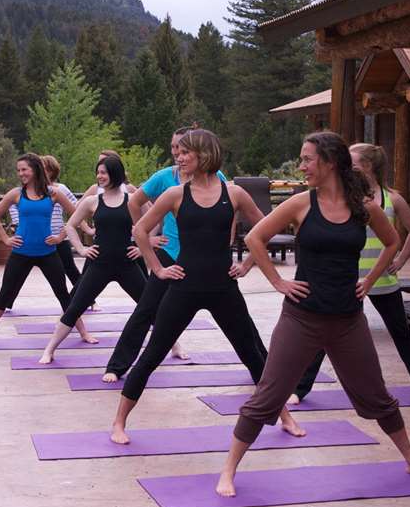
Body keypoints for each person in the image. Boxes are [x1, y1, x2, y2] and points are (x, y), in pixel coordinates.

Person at [216, 131, 410, 497]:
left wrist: (371, 279)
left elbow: (393, 241)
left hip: (348, 320)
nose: (302, 166)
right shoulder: (301, 204)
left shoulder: (363, 206)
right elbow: (255, 237)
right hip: (301, 318)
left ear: (330, 162)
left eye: (307, 159)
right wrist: (278, 281)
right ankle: (228, 470)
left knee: (376, 396)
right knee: (268, 397)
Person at [107, 129, 304, 445]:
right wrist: (157, 269)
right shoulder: (175, 194)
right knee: (153, 353)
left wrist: (248, 263)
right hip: (184, 286)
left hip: (223, 287)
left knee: (253, 355)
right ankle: (119, 422)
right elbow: (141, 230)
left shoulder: (234, 193)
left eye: (186, 152)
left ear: (204, 154)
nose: (179, 157)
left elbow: (263, 229)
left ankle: (285, 416)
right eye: (179, 152)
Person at [289, 143, 410, 403]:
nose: (346, 167)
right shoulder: (346, 198)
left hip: (382, 280)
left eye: (352, 163)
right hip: (350, 282)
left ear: (368, 167)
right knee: (325, 335)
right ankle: (299, 390)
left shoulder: (391, 198)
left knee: (402, 334)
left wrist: (399, 260)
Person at [100, 127, 226, 381]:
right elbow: (134, 202)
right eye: (174, 148)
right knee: (146, 309)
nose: (177, 153)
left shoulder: (217, 176)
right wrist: (147, 235)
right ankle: (117, 366)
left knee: (233, 316)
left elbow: (229, 210)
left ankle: (265, 372)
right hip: (170, 253)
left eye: (182, 148)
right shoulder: (164, 178)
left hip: (204, 258)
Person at [0, 153, 95, 346]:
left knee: (63, 293)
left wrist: (60, 236)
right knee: (5, 293)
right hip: (22, 253)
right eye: (18, 170)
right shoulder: (16, 194)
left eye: (24, 169)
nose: (20, 173)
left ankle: (84, 333)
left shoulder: (54, 193)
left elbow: (76, 216)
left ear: (35, 169)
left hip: (48, 253)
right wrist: (6, 239)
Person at [38, 156, 147, 363]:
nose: (99, 176)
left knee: (149, 306)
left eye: (104, 172)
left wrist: (142, 249)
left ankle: (175, 346)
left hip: (127, 264)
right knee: (75, 307)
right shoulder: (92, 201)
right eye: (98, 172)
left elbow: (152, 222)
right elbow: (70, 225)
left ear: (115, 173)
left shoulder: (132, 199)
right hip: (99, 265)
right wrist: (81, 249)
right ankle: (50, 349)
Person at [9, 155, 82, 291]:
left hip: (57, 238)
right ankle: (7, 302)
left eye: (47, 170)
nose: (44, 172)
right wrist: (19, 223)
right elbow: (12, 207)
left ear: (53, 172)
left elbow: (76, 209)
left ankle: (88, 300)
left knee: (69, 269)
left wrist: (64, 232)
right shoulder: (22, 192)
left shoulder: (59, 190)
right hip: (33, 240)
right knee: (18, 275)